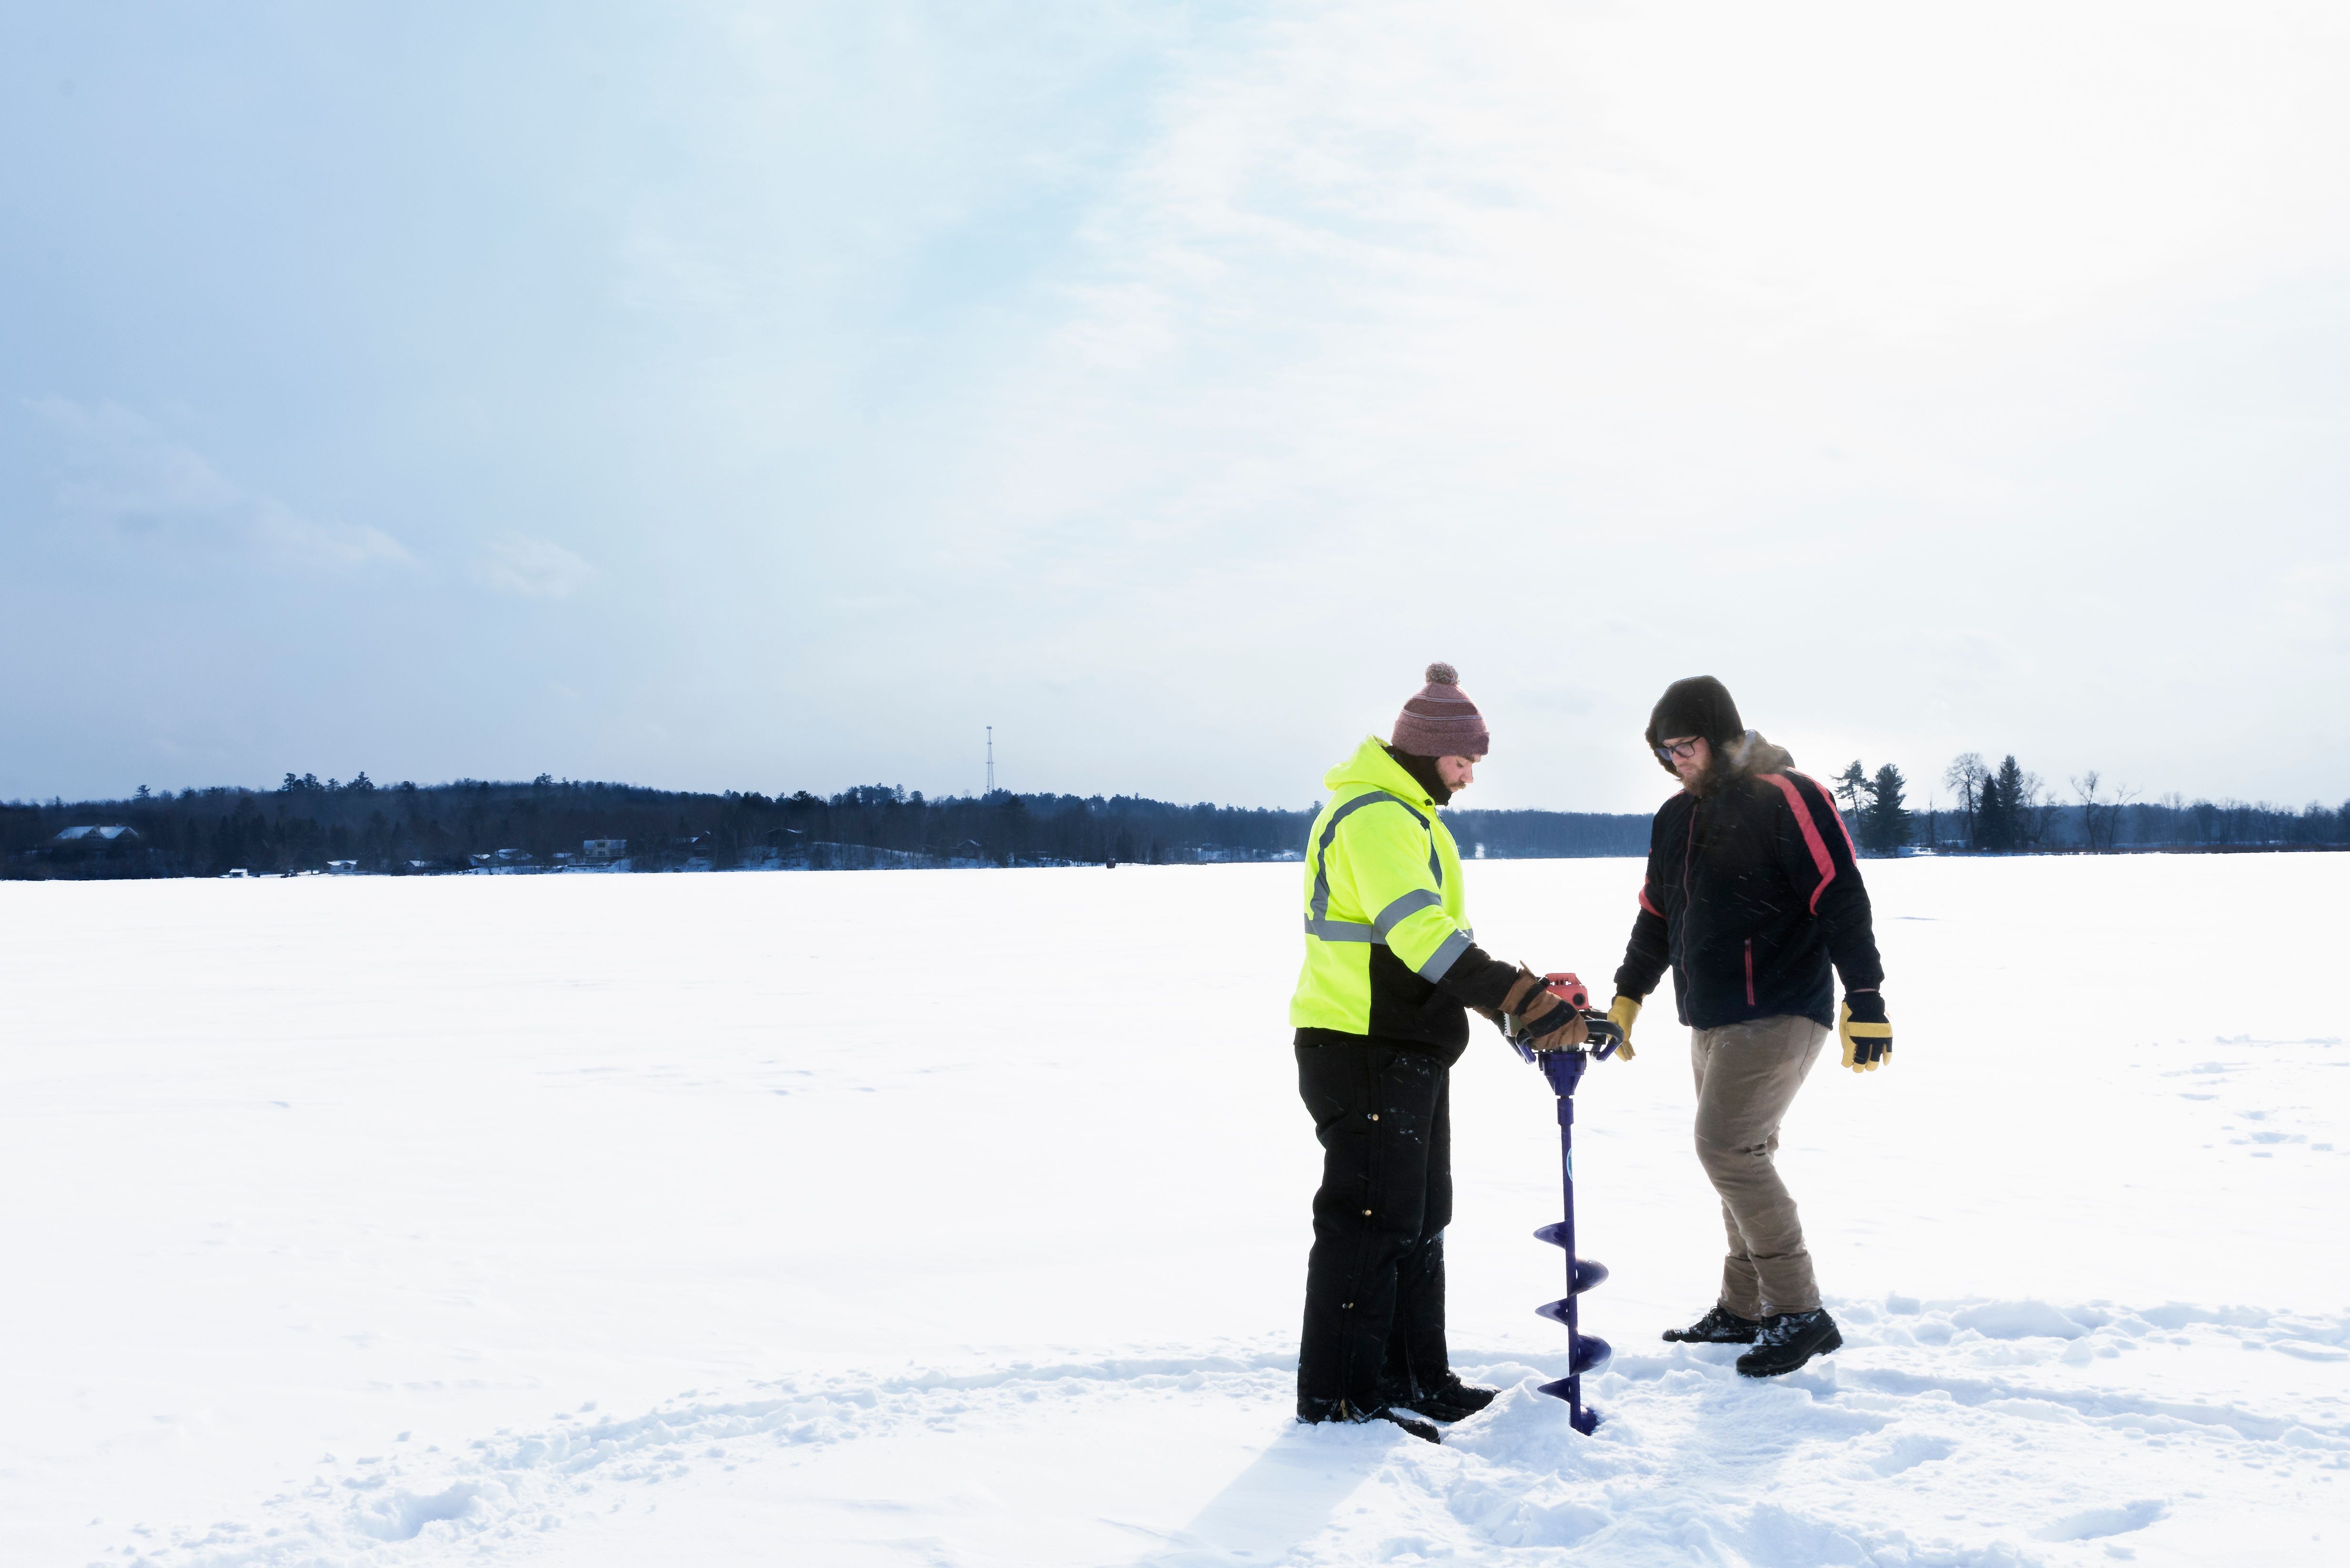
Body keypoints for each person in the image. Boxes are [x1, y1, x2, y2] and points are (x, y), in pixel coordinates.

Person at [1289, 663, 1590, 1442]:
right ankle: (1343, 1397)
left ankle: (1418, 1376)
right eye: (1465, 761)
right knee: (1370, 1223)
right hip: (1361, 1044)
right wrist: (1515, 999)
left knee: (1420, 1218)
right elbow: (1421, 935)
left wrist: (1516, 1007)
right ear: (1428, 751)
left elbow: (1437, 946)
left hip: (1406, 1044)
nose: (1469, 776)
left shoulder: (1410, 815)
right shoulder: (1376, 816)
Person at [1601, 675, 1893, 1378]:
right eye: (1666, 752)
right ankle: (1745, 1308)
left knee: (1726, 1150)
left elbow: (1840, 892)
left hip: (1782, 1007)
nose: (1678, 761)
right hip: (1710, 1016)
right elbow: (1656, 916)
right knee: (1742, 1156)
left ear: (1724, 733)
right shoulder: (1675, 818)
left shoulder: (1788, 795)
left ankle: (1799, 1312)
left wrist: (1866, 995)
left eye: (1687, 745)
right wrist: (1627, 995)